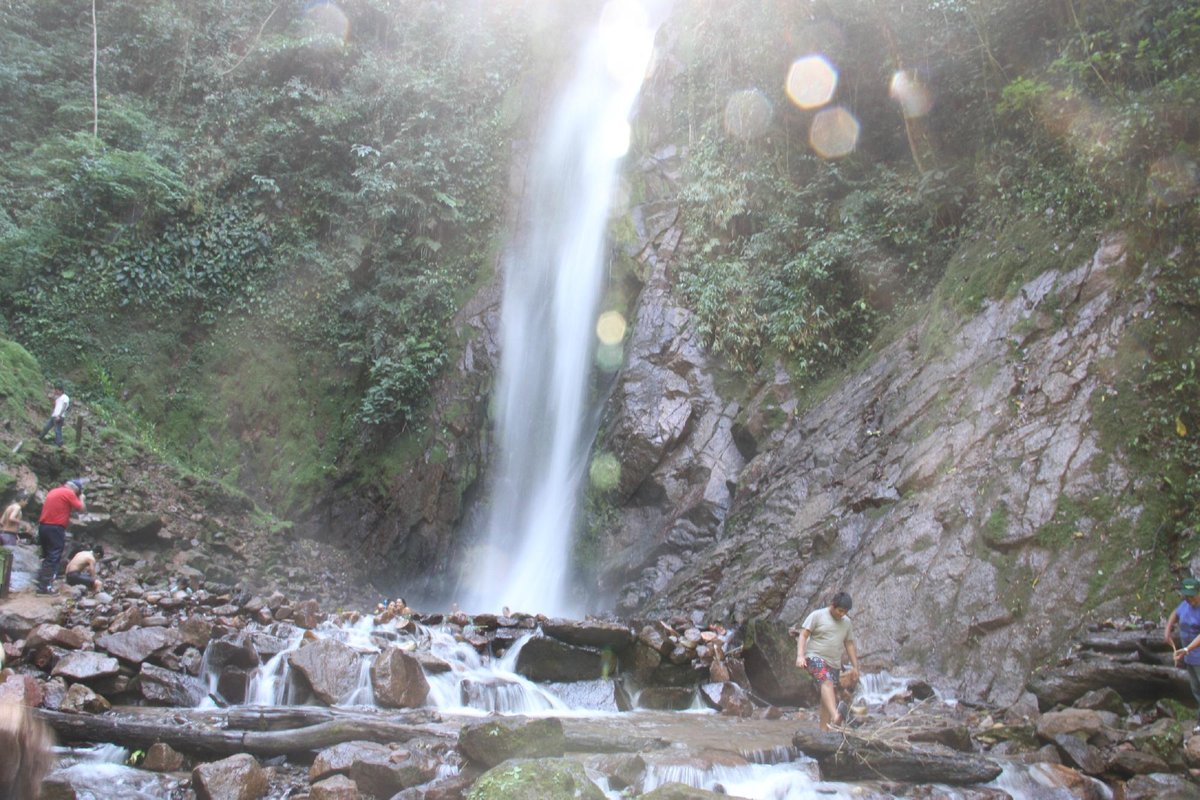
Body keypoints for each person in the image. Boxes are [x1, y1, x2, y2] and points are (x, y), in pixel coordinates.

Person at [795, 591, 862, 730]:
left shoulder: (846, 623)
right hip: (814, 657)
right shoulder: (817, 615)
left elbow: (849, 644)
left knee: (827, 697)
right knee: (826, 681)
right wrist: (800, 656)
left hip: (834, 663)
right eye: (840, 610)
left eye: (845, 612)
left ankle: (823, 731)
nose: (842, 614)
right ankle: (835, 716)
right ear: (833, 605)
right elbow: (803, 635)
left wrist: (855, 667)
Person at [35, 479, 86, 595]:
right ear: (75, 490)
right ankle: (45, 587)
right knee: (54, 555)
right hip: (55, 527)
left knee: (47, 555)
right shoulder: (69, 493)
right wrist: (82, 498)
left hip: (43, 526)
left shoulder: (54, 491)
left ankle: (41, 581)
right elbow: (81, 508)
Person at [1168, 577, 1200, 734]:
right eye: (1187, 596)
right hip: (1191, 659)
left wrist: (1187, 649)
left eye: (1192, 596)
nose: (1189, 600)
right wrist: (1168, 629)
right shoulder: (1185, 605)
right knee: (1196, 689)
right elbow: (1175, 612)